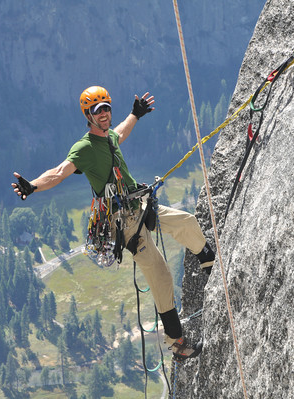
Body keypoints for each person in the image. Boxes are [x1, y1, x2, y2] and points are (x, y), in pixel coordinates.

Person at [12, 86, 214, 361]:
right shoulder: (83, 148)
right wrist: (33, 186)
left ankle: (211, 266)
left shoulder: (109, 138)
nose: (104, 113)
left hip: (140, 205)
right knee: (160, 275)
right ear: (88, 115)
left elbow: (121, 132)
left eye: (106, 107)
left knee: (186, 222)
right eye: (98, 110)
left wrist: (135, 114)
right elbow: (59, 173)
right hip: (125, 223)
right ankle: (177, 343)